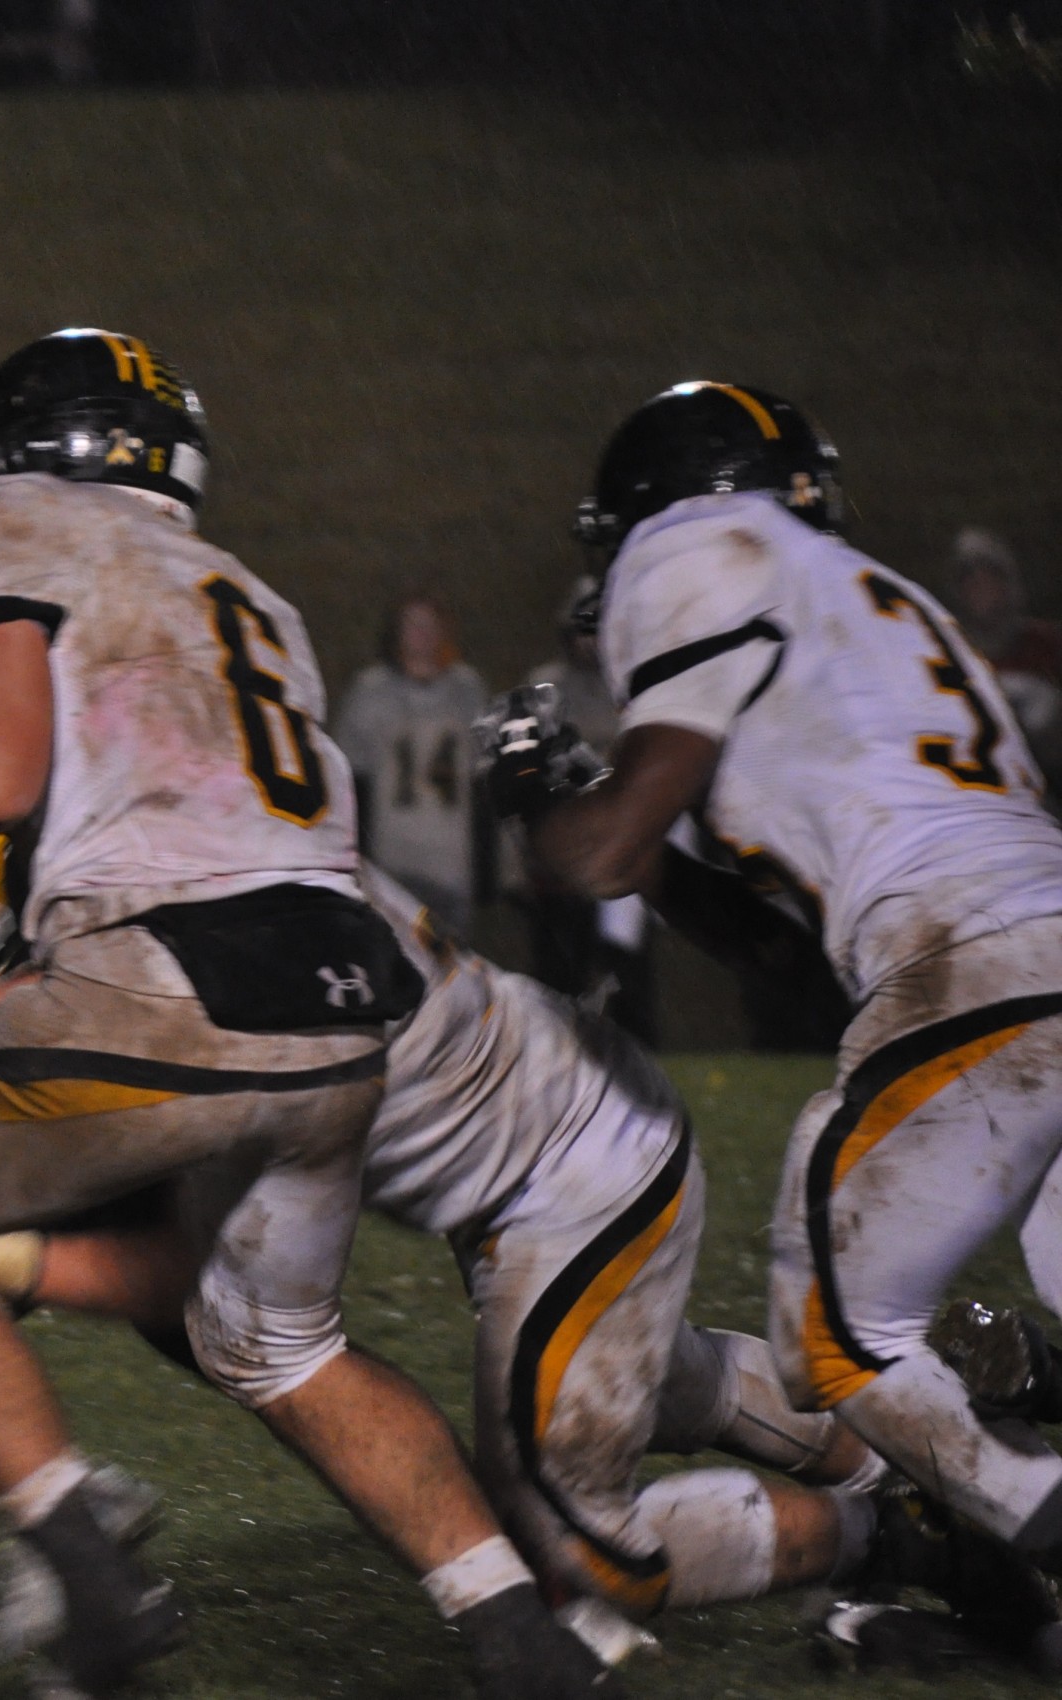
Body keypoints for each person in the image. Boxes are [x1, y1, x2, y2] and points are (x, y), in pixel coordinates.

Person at [0, 328, 614, 1698]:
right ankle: (520, 1639)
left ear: (11, 451)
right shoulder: (240, 589)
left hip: (180, 978)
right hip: (342, 998)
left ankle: (94, 1594)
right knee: (276, 1344)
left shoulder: (1, 524)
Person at [0, 863, 1062, 1672]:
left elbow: (179, 1216)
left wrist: (2, 1244)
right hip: (547, 1153)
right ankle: (904, 1451)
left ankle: (903, 1530)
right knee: (630, 1386)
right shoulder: (225, 890)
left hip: (581, 1170)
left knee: (582, 1552)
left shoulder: (194, 979)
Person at [490, 380, 1062, 1590]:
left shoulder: (695, 546)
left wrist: (547, 802)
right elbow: (775, 953)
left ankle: (990, 1533)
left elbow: (600, 852)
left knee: (834, 1337)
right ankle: (1002, 1471)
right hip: (1020, 939)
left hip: (979, 963)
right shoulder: (877, 598)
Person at [516, 578, 657, 1043]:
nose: (590, 642)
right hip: (562, 856)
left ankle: (637, 1052)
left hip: (620, 852)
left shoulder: (634, 691)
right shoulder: (544, 688)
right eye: (582, 630)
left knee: (628, 970)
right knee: (559, 974)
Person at [333, 591, 490, 933]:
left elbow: (483, 778)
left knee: (451, 965)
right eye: (413, 625)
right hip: (393, 858)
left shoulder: (467, 690)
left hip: (451, 860)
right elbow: (349, 777)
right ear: (396, 633)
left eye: (430, 625)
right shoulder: (370, 691)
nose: (423, 634)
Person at [945, 526, 1062, 788]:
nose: (981, 587)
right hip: (987, 786)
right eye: (971, 580)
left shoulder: (1047, 642)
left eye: (989, 577)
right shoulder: (952, 652)